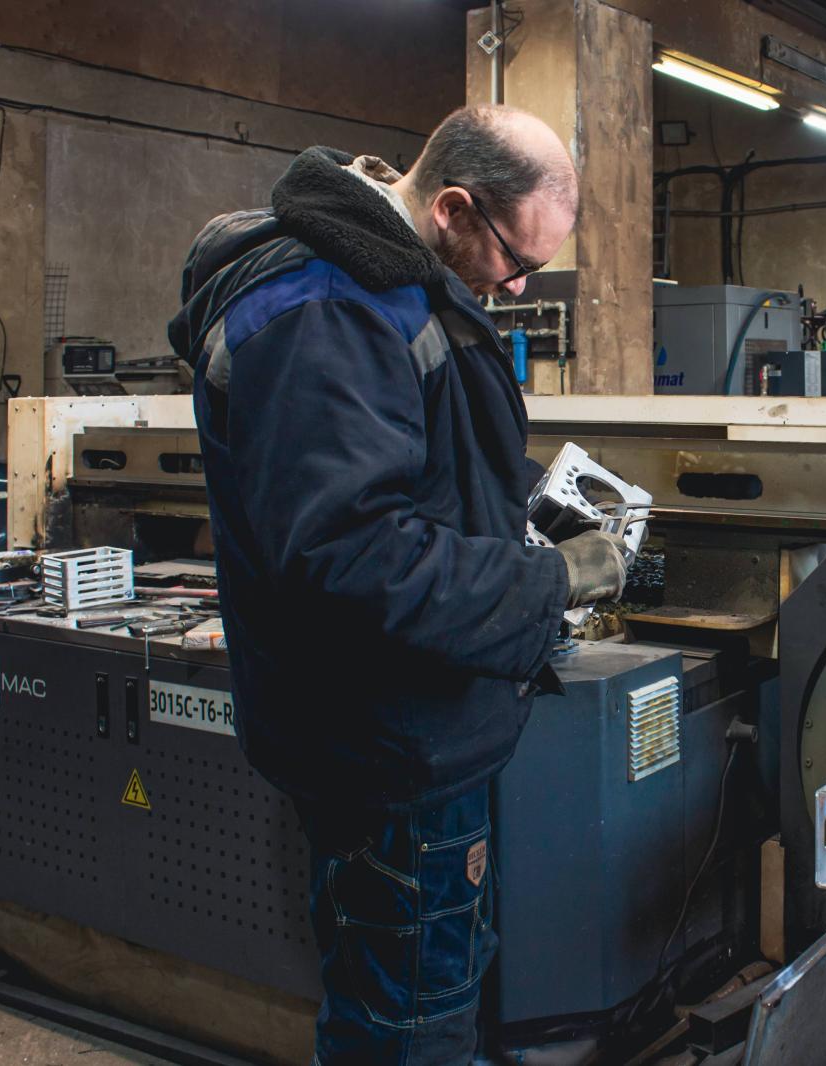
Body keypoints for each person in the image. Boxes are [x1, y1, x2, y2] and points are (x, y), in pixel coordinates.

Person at [167, 105, 629, 1065]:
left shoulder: (393, 277)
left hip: (415, 729)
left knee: (428, 991)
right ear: (452, 206)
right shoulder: (330, 309)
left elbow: (408, 464)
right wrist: (546, 582)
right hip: (385, 745)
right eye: (516, 259)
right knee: (407, 1026)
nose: (519, 285)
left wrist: (521, 506)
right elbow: (351, 557)